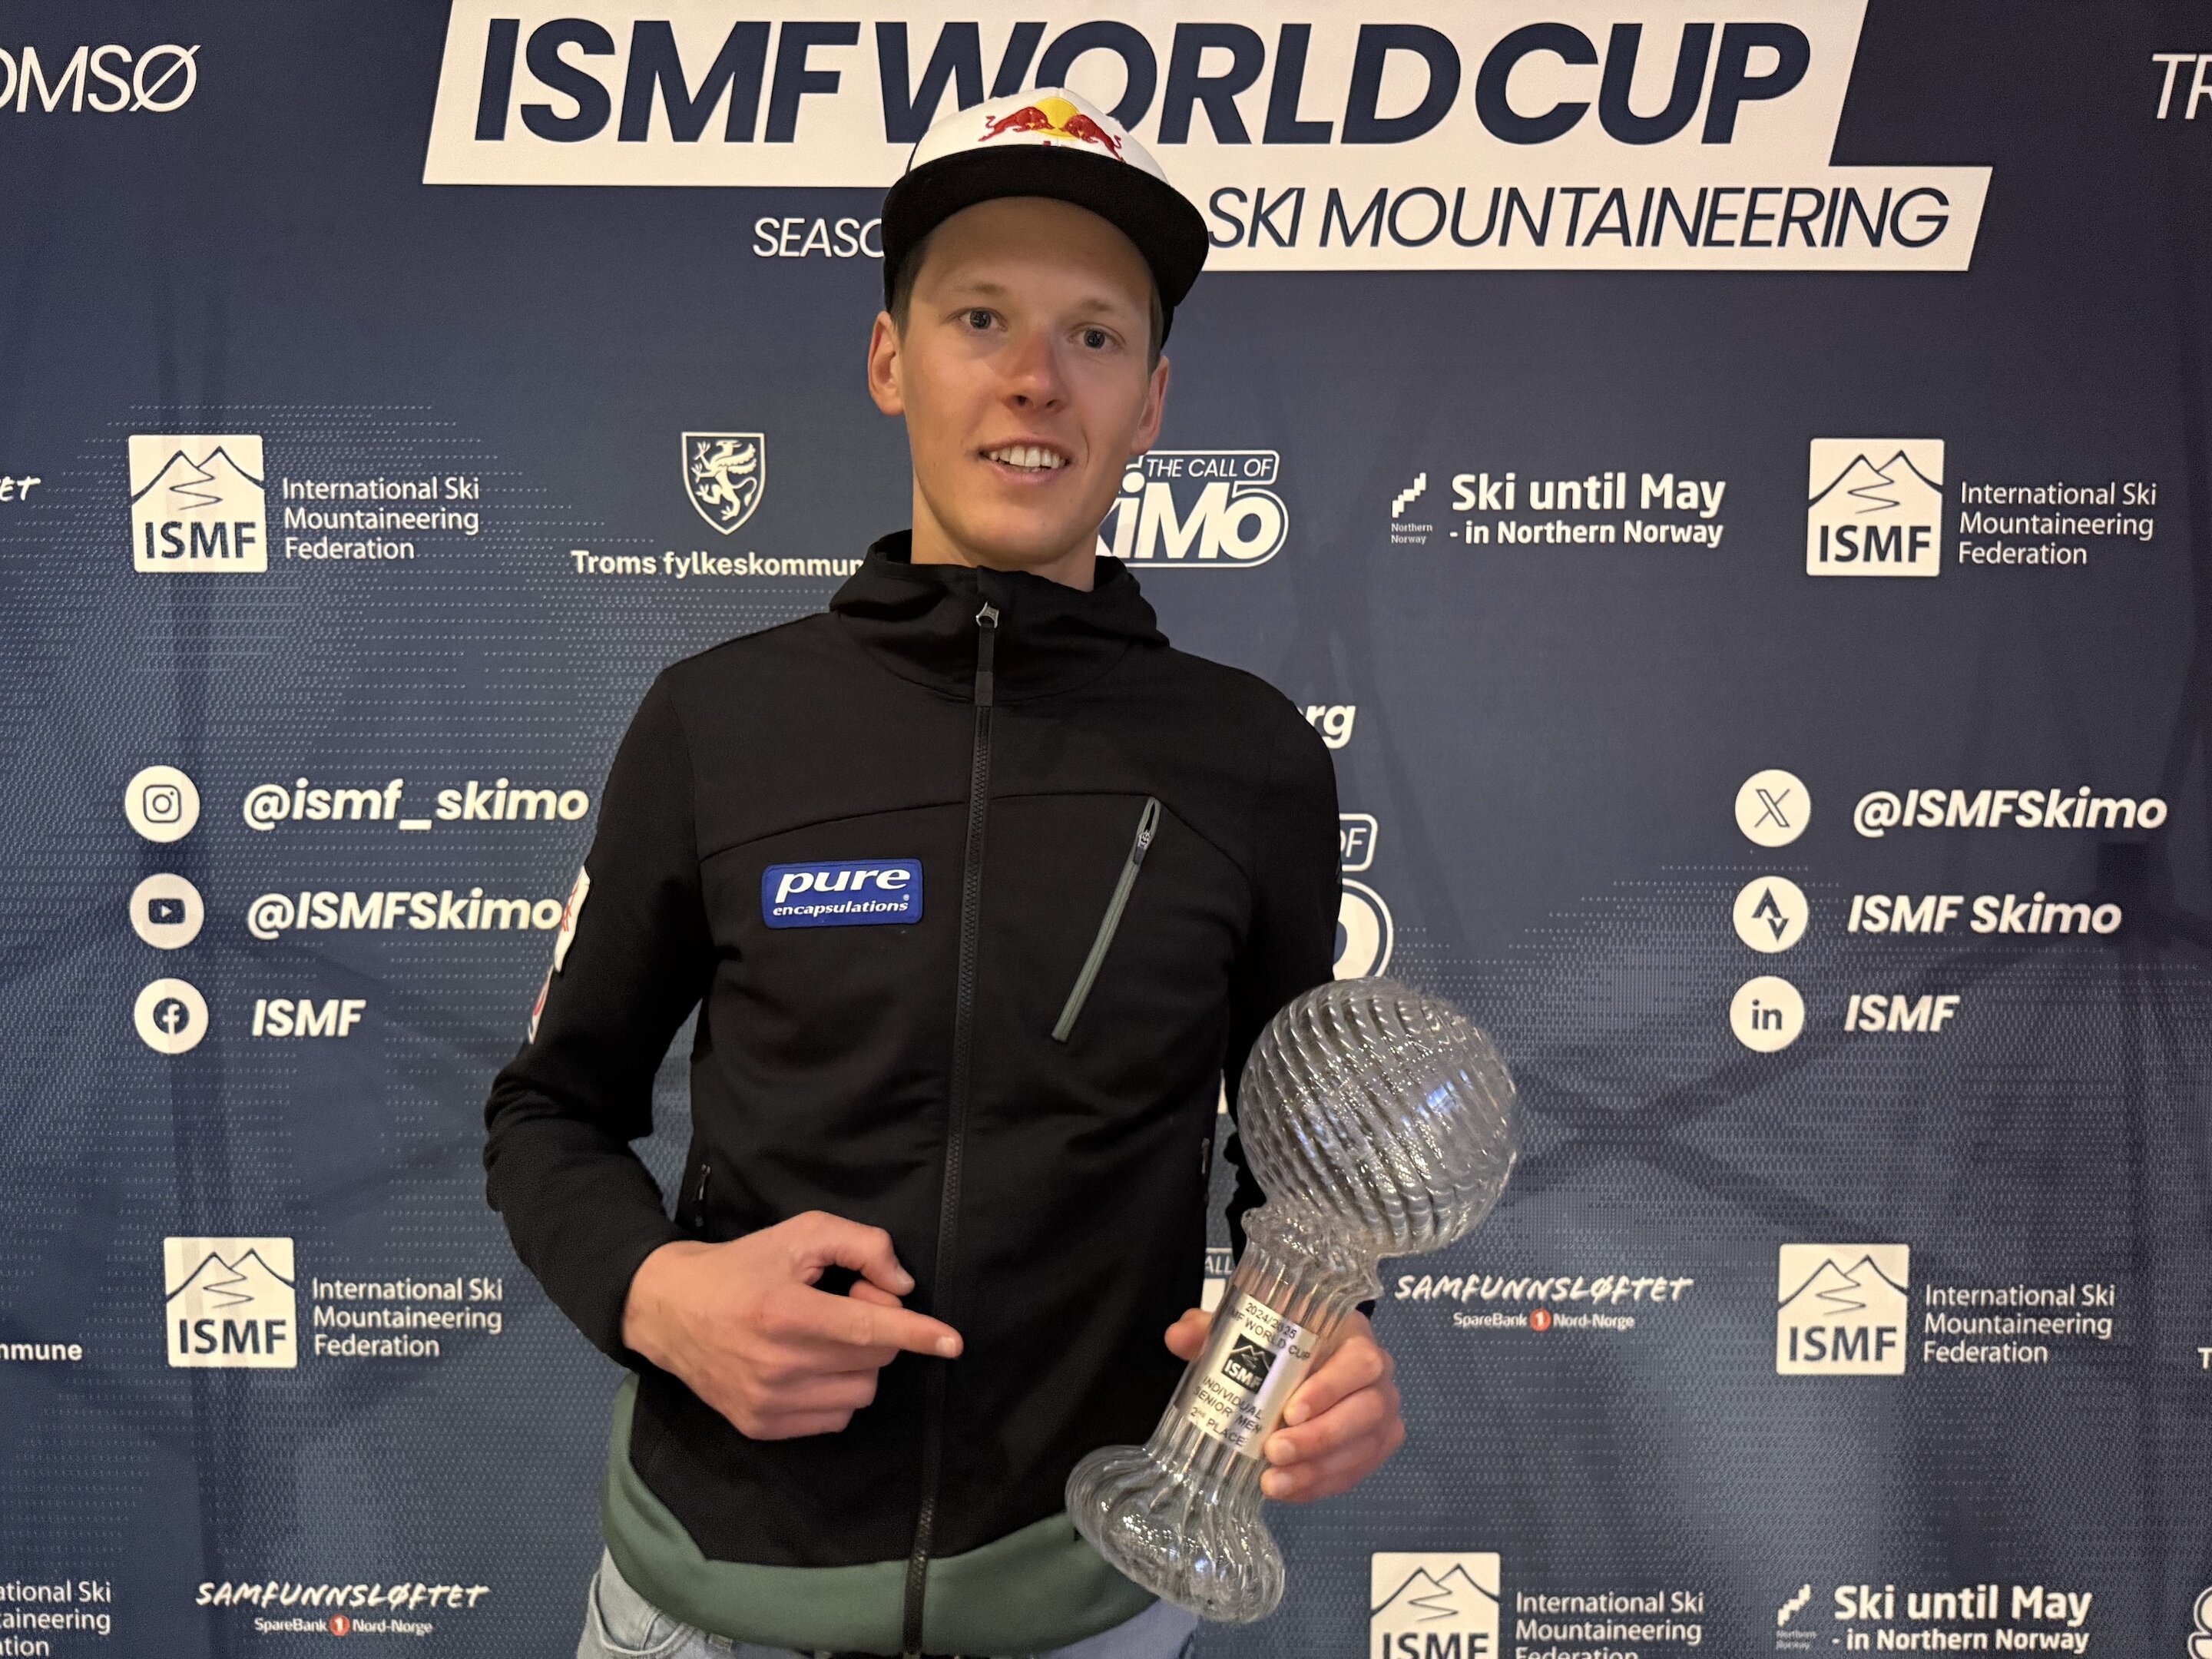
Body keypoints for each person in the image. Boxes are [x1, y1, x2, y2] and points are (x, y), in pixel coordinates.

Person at [483, 87, 1405, 1659]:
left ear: (1152, 401)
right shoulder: (718, 722)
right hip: (707, 1592)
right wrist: (656, 1297)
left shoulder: (1249, 762)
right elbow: (547, 1113)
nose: (1036, 377)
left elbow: (1300, 1181)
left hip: (1086, 1601)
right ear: (890, 360)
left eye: (1094, 335)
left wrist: (1335, 1347)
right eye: (981, 318)